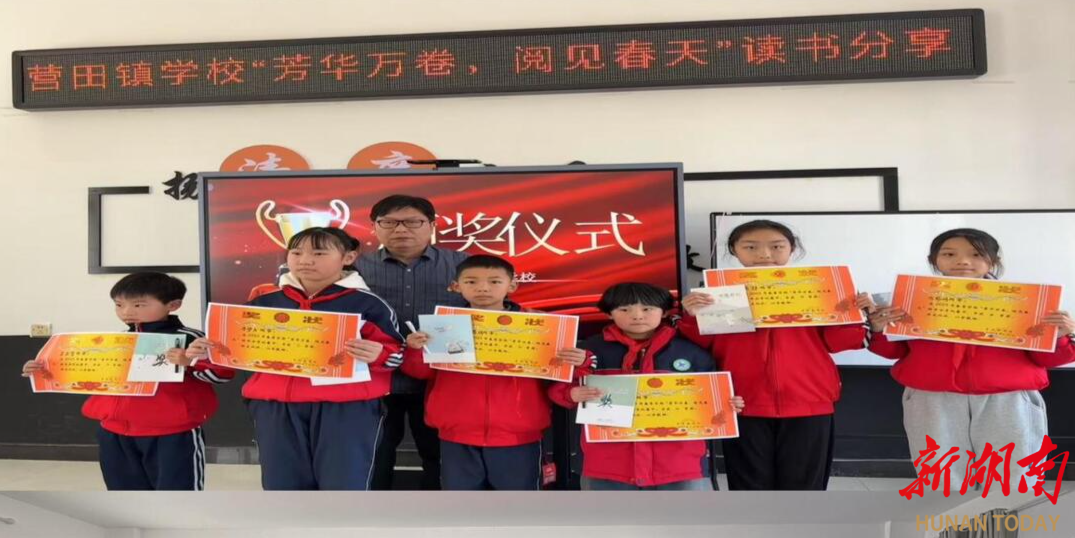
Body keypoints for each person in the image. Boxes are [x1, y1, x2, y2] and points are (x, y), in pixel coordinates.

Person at [187, 227, 403, 490]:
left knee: (344, 485)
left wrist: (379, 354)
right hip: (275, 407)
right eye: (296, 252)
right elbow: (227, 359)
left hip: (346, 409)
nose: (305, 260)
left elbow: (396, 353)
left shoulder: (368, 304)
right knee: (282, 486)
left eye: (319, 253)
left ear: (348, 257)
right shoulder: (263, 302)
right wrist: (203, 355)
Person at [867, 228, 1075, 484]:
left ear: (993, 261)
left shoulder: (1026, 302)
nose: (963, 261)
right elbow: (895, 351)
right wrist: (878, 329)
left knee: (1013, 477)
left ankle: (1008, 513)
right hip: (931, 399)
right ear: (934, 260)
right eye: (949, 254)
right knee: (941, 477)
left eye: (976, 254)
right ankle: (950, 513)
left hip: (1006, 399)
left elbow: (1049, 359)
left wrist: (1062, 335)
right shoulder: (911, 299)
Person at [679, 220, 870, 490]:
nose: (764, 254)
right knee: (749, 486)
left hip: (808, 399)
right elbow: (700, 349)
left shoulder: (818, 289)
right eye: (750, 247)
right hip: (742, 401)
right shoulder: (719, 294)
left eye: (777, 246)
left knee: (804, 488)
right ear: (734, 250)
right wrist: (692, 317)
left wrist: (853, 314)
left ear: (792, 249)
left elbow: (839, 343)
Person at [22, 272, 234, 490]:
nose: (126, 312)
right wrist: (46, 369)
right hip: (113, 432)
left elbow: (221, 375)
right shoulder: (117, 341)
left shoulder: (193, 339)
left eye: (138, 305)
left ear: (173, 305)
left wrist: (189, 362)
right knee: (123, 493)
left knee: (177, 494)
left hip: (171, 433)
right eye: (119, 305)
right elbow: (87, 375)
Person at [401, 255, 586, 490]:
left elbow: (560, 376)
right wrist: (415, 350)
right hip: (456, 432)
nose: (483, 288)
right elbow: (418, 372)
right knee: (461, 502)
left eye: (494, 281)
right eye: (471, 282)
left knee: (517, 503)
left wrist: (578, 360)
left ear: (512, 285)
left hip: (518, 432)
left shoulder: (541, 325)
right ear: (456, 286)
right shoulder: (442, 325)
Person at [549, 282, 744, 490]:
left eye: (647, 309)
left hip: (680, 464)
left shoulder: (691, 351)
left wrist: (727, 403)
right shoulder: (588, 350)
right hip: (608, 465)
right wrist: (572, 394)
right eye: (624, 310)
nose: (637, 316)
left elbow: (714, 395)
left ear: (665, 311)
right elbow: (557, 389)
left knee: (685, 513)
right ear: (608, 314)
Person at [357, 194, 468, 490]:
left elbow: (488, 311)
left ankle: (440, 513)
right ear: (374, 227)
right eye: (389, 222)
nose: (401, 229)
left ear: (431, 224)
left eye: (412, 222)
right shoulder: (356, 268)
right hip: (377, 377)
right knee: (375, 454)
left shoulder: (462, 265)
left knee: (441, 455)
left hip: (440, 379)